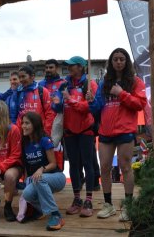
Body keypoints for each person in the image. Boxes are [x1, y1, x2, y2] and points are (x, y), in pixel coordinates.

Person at [87, 48, 147, 221]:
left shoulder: (135, 81)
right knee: (104, 167)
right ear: (111, 63)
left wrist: (121, 94)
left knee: (126, 167)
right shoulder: (105, 82)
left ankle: (128, 207)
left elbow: (139, 104)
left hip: (125, 131)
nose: (118, 62)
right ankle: (108, 205)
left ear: (126, 61)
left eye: (122, 59)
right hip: (105, 132)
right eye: (115, 59)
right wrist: (91, 101)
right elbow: (97, 107)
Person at [52, 56, 98, 217]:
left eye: (72, 66)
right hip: (69, 131)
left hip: (86, 130)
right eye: (68, 66)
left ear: (81, 67)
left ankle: (89, 199)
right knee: (73, 165)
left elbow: (89, 107)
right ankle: (77, 198)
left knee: (87, 164)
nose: (69, 68)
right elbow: (57, 107)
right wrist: (56, 101)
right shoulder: (64, 84)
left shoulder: (90, 84)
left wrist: (70, 100)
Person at [21, 112, 66, 230]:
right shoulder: (24, 143)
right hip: (38, 180)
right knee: (26, 194)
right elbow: (27, 169)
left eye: (27, 123)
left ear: (35, 125)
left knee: (39, 179)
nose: (23, 126)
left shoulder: (44, 140)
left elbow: (53, 164)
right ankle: (44, 211)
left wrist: (41, 169)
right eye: (22, 123)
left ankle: (56, 215)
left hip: (56, 177)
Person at [12, 65, 54, 135]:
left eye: (23, 76)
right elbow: (14, 114)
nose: (21, 80)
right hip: (22, 132)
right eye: (19, 77)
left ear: (32, 76)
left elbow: (50, 113)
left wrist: (46, 131)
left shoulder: (42, 91)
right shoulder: (18, 92)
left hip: (39, 132)